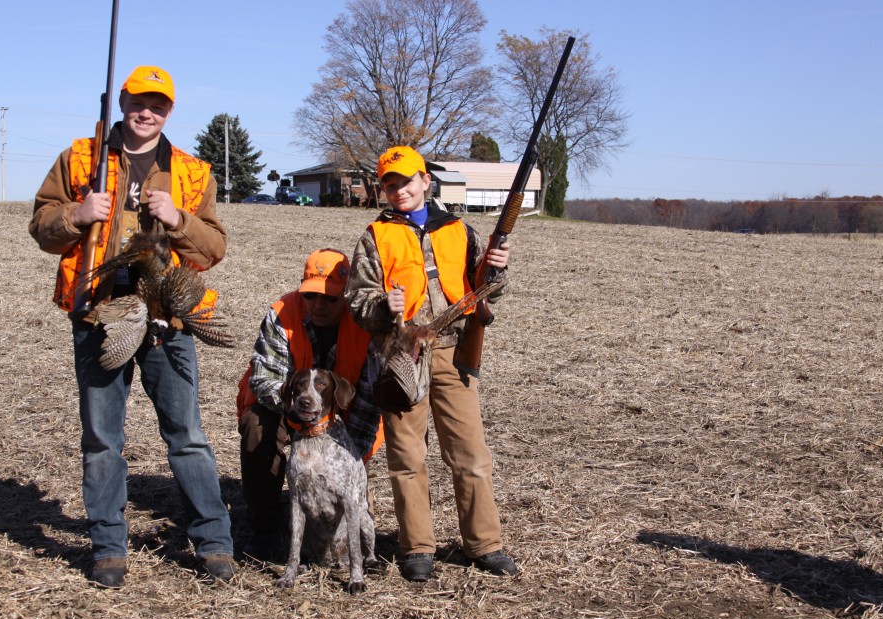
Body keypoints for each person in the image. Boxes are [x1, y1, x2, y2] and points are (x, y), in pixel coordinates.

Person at [28, 65, 236, 588]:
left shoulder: (191, 171)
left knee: (186, 435)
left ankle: (213, 543)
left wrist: (178, 219)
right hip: (102, 310)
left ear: (170, 110)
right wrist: (77, 213)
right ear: (121, 101)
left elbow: (213, 249)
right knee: (102, 437)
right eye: (139, 101)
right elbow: (41, 225)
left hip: (167, 315)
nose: (147, 112)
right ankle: (108, 549)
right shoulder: (81, 158)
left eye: (159, 104)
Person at [345, 145, 518, 582]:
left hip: (454, 351)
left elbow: (483, 288)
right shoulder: (374, 236)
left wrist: (496, 270)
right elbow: (357, 299)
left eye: (406, 180)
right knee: (406, 455)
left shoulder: (460, 229)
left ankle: (484, 544)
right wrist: (384, 307)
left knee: (470, 453)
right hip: (402, 354)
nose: (398, 189)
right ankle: (416, 548)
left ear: (426, 181)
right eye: (389, 184)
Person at [236, 249, 382, 559]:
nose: (319, 305)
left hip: (344, 420)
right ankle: (264, 528)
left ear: (347, 296)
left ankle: (354, 546)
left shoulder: (364, 324)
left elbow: (370, 399)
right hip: (285, 410)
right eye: (311, 295)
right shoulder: (282, 313)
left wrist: (352, 455)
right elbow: (263, 380)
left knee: (350, 499)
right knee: (256, 426)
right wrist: (299, 411)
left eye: (330, 298)